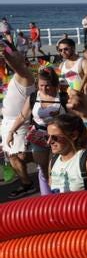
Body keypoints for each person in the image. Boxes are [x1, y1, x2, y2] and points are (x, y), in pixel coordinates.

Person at [5, 68, 66, 195]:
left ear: (55, 84)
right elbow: (22, 116)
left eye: (47, 86)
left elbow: (75, 117)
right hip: (39, 135)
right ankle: (47, 197)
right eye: (41, 86)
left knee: (55, 167)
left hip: (60, 136)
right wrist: (11, 132)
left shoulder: (63, 97)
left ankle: (61, 195)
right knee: (43, 168)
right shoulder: (33, 97)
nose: (44, 89)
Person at [2, 46, 37, 198]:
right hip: (7, 122)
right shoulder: (15, 77)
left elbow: (15, 64)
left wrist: (5, 54)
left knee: (19, 155)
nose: (12, 57)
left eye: (15, 56)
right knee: (12, 155)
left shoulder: (25, 75)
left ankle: (48, 156)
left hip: (19, 122)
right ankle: (26, 183)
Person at [46, 113, 87, 192]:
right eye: (47, 137)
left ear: (73, 135)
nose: (49, 142)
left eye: (55, 137)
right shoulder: (53, 161)